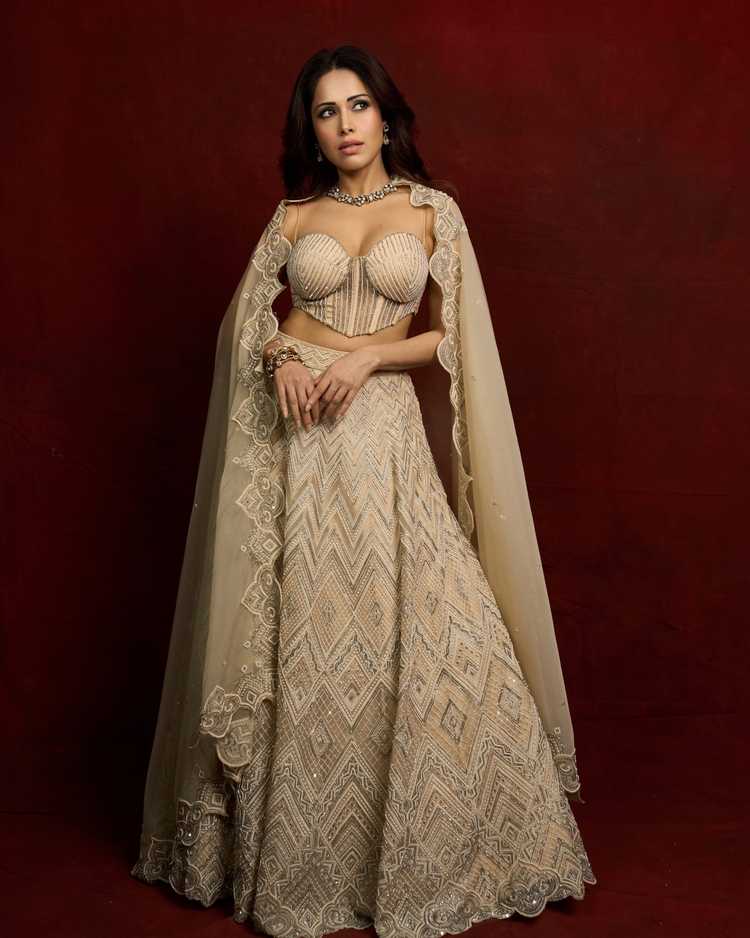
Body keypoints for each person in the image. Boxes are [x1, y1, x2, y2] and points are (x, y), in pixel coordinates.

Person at [131, 44, 597, 937]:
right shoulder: (293, 214)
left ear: (387, 118)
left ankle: (442, 847)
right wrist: (280, 356)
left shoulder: (432, 213)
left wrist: (369, 358)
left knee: (423, 614)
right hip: (300, 440)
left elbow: (452, 337)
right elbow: (248, 324)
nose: (344, 125)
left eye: (358, 106)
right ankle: (296, 855)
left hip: (381, 433)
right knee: (300, 622)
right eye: (325, 112)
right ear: (310, 131)